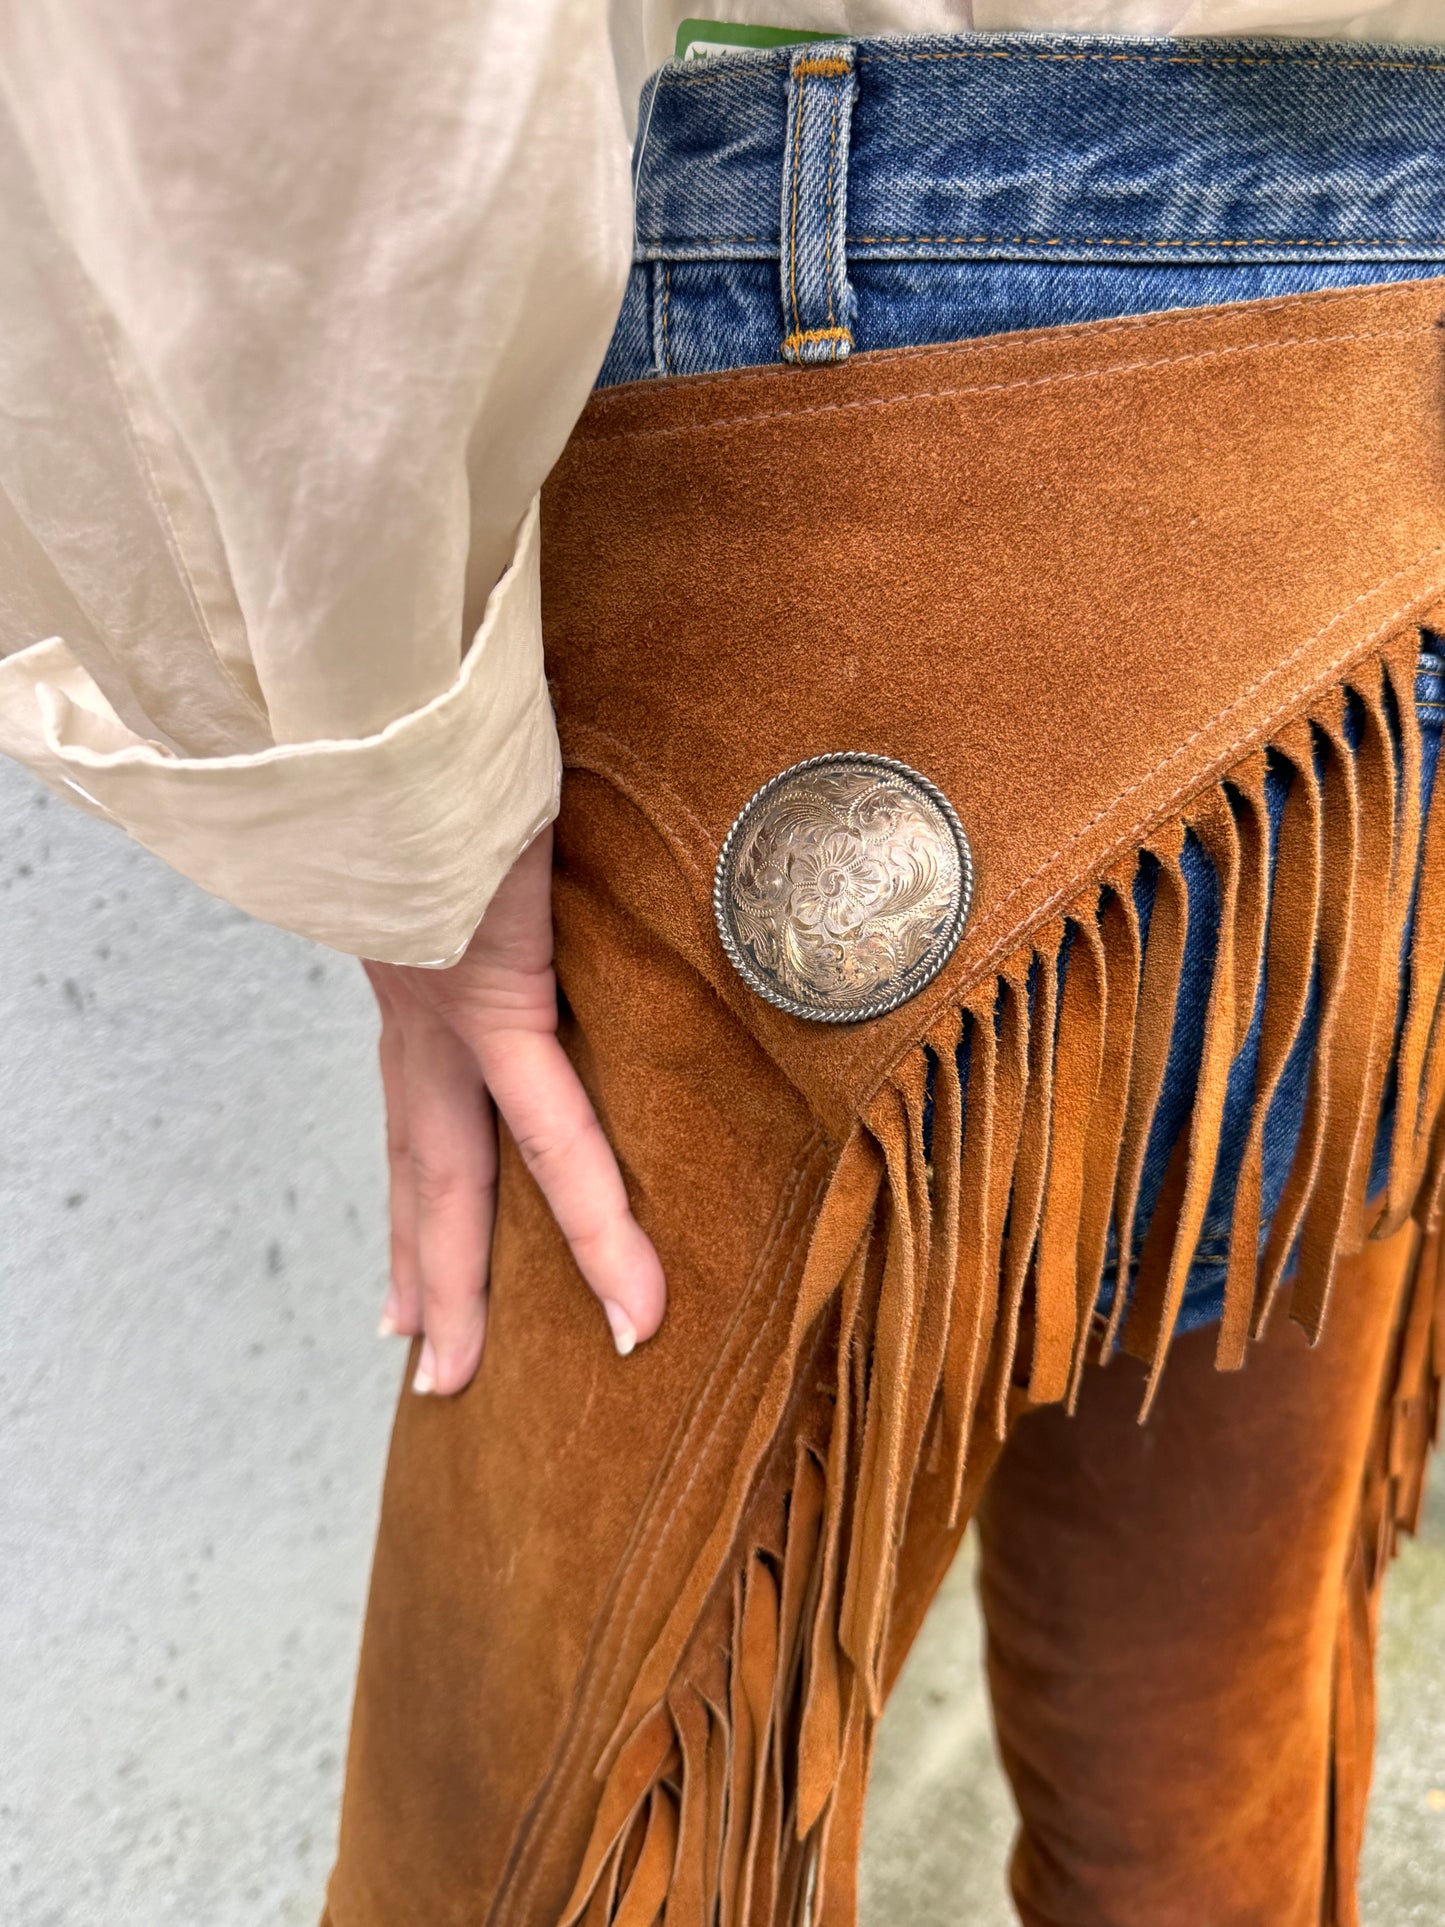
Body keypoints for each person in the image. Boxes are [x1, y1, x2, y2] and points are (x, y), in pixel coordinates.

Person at [2, 6, 1442, 1924]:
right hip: (1381, 442)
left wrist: (395, 797)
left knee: (546, 1861)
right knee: (1207, 1788)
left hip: (882, 379)